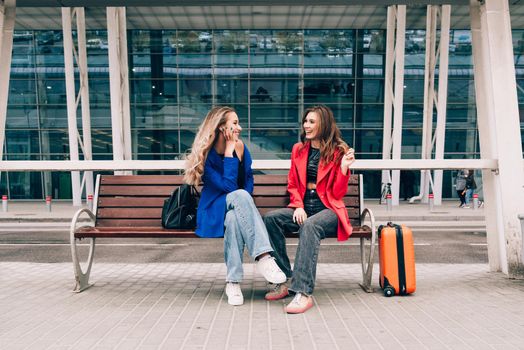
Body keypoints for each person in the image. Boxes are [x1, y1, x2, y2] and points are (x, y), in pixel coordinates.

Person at [184, 106, 286, 306]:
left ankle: (233, 282)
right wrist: (230, 152)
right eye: (235, 123)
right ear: (222, 127)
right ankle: (264, 256)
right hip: (214, 209)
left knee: (233, 219)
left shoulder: (241, 147)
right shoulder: (206, 155)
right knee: (238, 196)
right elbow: (228, 187)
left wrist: (242, 205)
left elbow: (248, 179)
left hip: (236, 209)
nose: (239, 127)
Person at [263, 105, 355, 314]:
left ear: (323, 124)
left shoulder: (338, 151)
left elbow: (338, 193)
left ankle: (303, 292)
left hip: (328, 210)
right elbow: (293, 183)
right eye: (305, 121)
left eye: (312, 122)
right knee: (271, 219)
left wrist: (343, 168)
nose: (306, 125)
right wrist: (297, 206)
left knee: (310, 226)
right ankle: (285, 280)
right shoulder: (299, 149)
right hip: (305, 206)